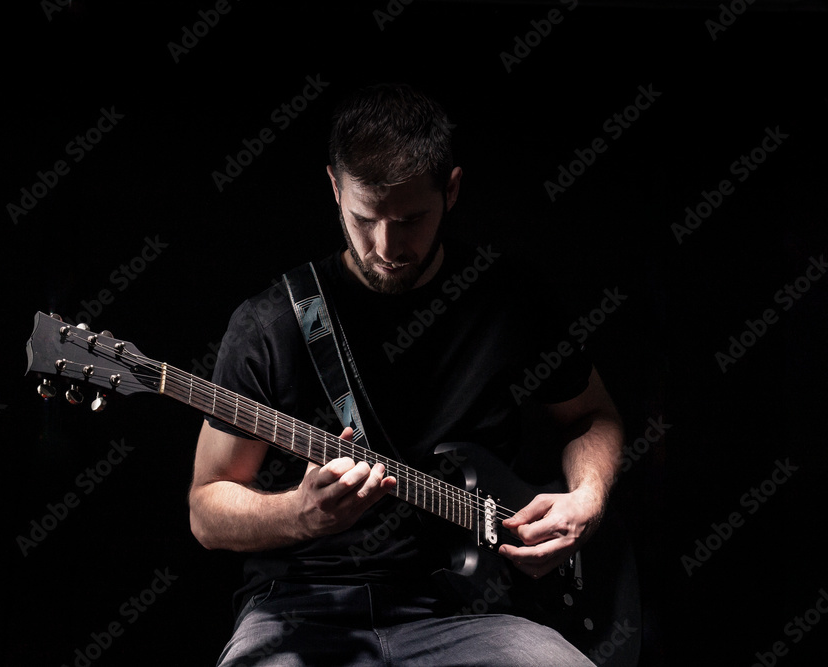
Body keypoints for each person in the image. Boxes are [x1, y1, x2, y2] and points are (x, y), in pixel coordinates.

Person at [188, 82, 625, 666]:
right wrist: (298, 513)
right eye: (365, 218)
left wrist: (588, 499)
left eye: (412, 217)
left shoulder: (507, 298)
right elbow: (207, 508)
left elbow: (593, 415)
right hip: (301, 606)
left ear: (452, 189)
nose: (387, 245)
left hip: (474, 613)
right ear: (335, 188)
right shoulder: (272, 324)